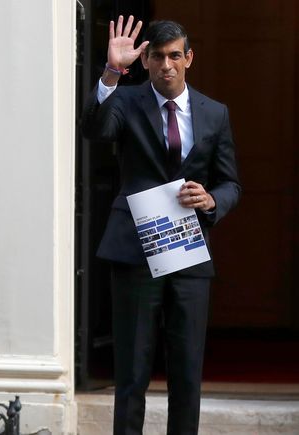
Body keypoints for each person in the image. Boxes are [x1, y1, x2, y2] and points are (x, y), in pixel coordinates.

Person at [82, 16, 241, 435]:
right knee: (132, 370)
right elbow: (95, 130)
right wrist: (112, 71)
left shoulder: (215, 113)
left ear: (189, 58)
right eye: (157, 56)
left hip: (189, 251)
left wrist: (211, 200)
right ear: (146, 61)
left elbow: (231, 184)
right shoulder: (126, 101)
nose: (166, 64)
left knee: (187, 370)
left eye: (175, 55)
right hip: (134, 247)